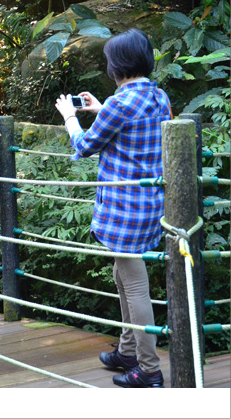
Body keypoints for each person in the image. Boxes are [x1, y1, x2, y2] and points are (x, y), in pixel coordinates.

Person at [54, 28, 172, 388]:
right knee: (123, 276)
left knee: (134, 285)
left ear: (116, 66)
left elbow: (87, 145)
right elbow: (136, 132)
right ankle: (128, 351)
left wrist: (70, 117)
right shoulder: (158, 96)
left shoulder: (121, 104)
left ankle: (149, 369)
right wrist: (99, 108)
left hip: (124, 208)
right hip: (148, 202)